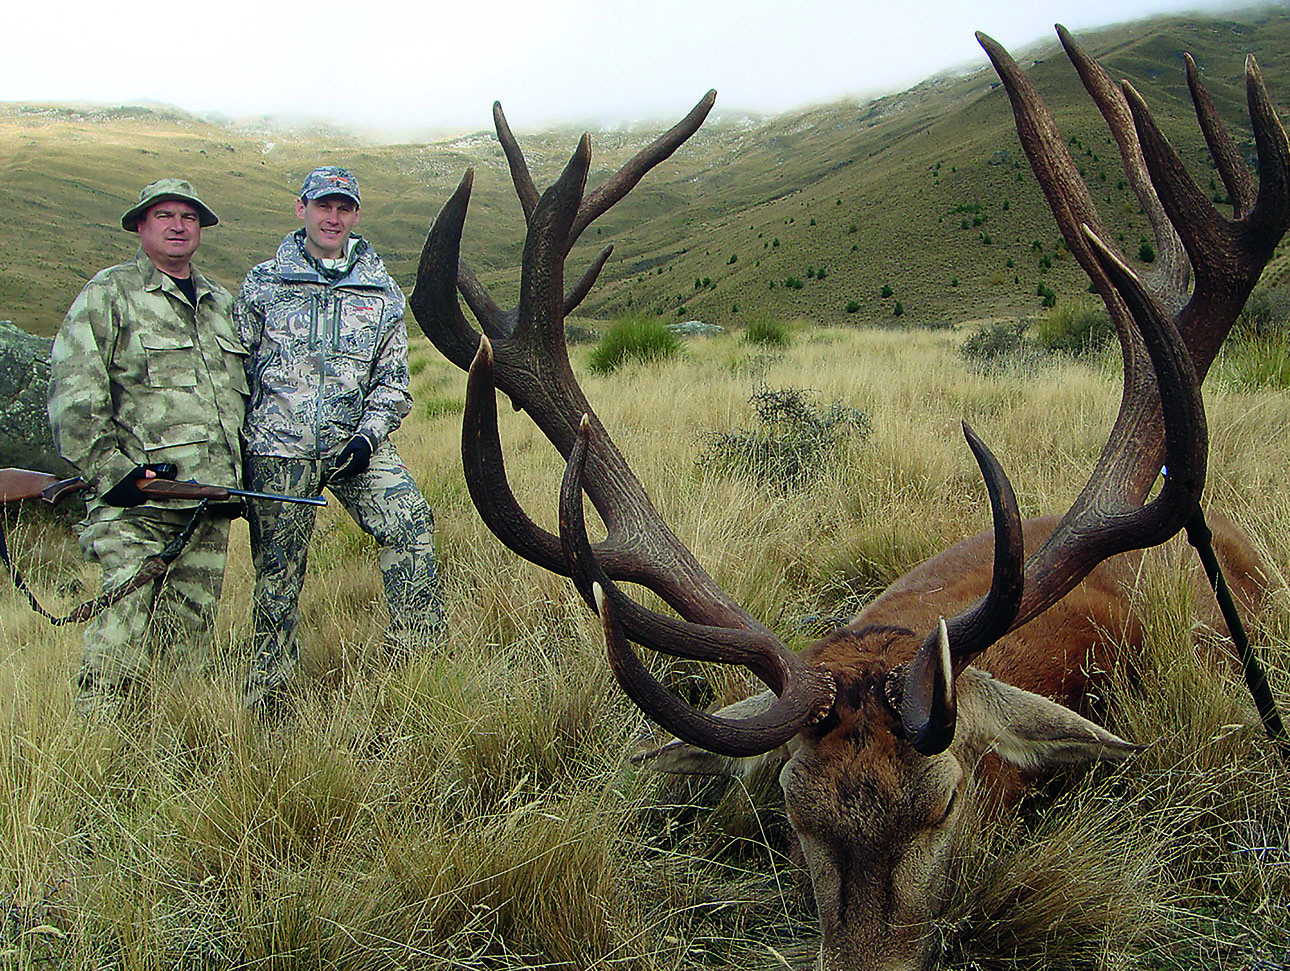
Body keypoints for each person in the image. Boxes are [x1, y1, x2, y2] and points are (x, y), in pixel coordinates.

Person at [236, 165, 444, 710]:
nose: (333, 217)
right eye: (323, 205)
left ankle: (418, 664)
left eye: (344, 208)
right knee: (279, 569)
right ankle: (270, 691)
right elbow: (233, 374)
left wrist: (368, 438)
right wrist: (236, 454)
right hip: (278, 450)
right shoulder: (263, 283)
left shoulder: (382, 290)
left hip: (354, 445)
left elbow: (394, 381)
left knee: (410, 523)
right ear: (301, 208)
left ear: (355, 215)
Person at [48, 178, 248, 717]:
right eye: (164, 215)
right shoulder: (108, 294)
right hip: (135, 504)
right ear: (141, 226)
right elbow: (74, 393)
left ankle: (168, 750)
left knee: (188, 643)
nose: (178, 225)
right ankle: (94, 750)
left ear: (200, 229)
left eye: (188, 216)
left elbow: (238, 403)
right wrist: (112, 472)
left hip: (207, 504)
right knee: (119, 634)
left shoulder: (222, 306)